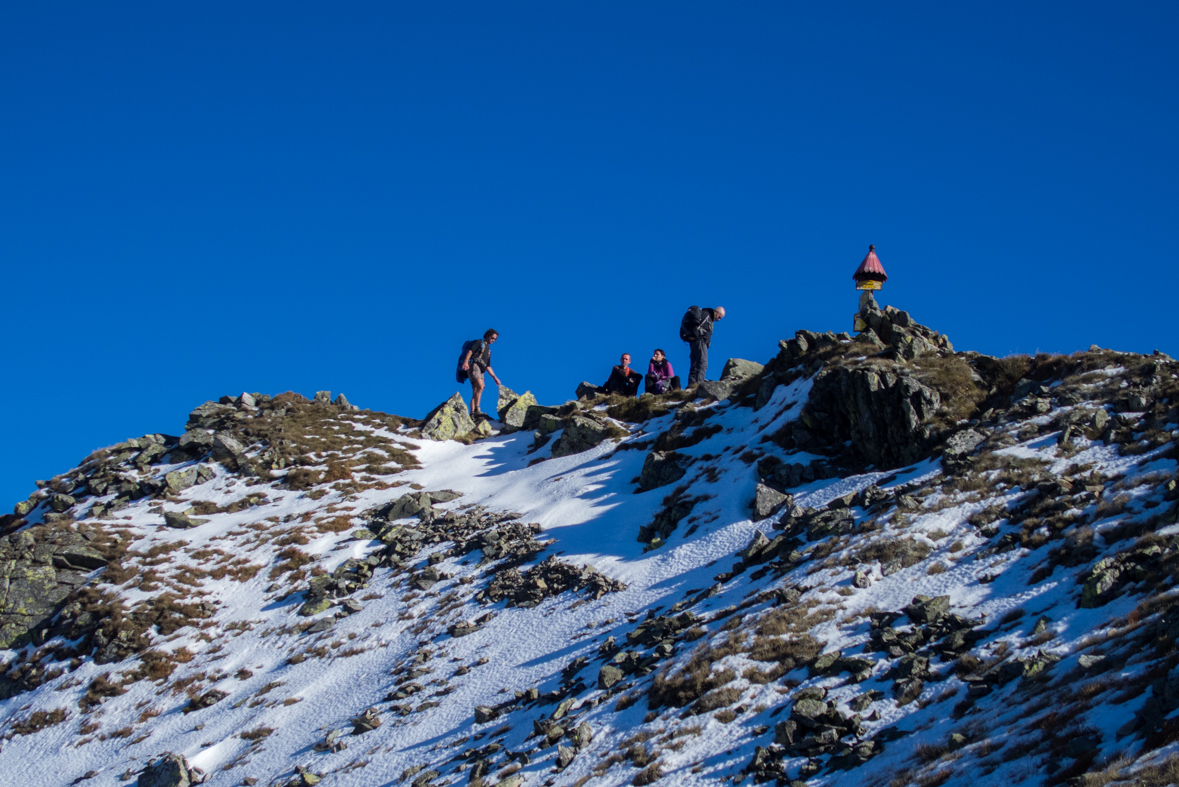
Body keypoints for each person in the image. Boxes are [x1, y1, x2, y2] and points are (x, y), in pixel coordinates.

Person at [459, 329, 502, 418]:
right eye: (492, 338)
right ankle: (477, 409)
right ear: (487, 336)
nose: (493, 340)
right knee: (480, 386)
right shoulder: (479, 342)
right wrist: (465, 362)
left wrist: (495, 378)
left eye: (495, 339)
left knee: (476, 390)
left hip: (482, 370)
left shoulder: (488, 350)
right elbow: (470, 351)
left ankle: (472, 413)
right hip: (474, 366)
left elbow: (488, 366)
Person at [680, 306, 725, 386]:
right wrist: (699, 336)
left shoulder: (704, 313)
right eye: (720, 317)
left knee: (694, 364)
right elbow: (700, 327)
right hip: (700, 341)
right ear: (717, 312)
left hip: (694, 342)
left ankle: (691, 384)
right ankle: (699, 384)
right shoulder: (708, 315)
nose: (719, 319)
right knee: (703, 363)